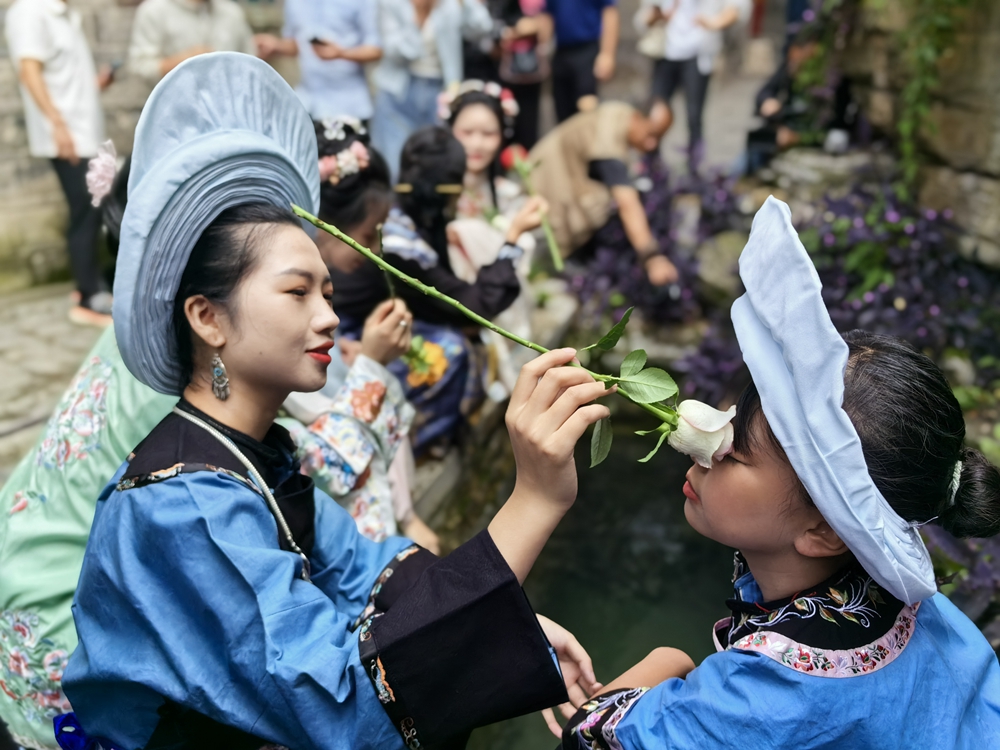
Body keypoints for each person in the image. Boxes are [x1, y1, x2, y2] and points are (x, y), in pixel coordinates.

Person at [56, 53, 606, 750]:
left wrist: (507, 618)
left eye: (324, 290)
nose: (328, 318)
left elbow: (372, 571)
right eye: (296, 292)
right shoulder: (180, 507)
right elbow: (343, 712)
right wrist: (534, 500)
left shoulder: (258, 456)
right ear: (208, 317)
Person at [0, 115, 435, 750]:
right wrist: (370, 368)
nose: (327, 312)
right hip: (64, 620)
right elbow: (330, 468)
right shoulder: (181, 376)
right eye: (294, 287)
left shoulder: (163, 334)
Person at [560, 198, 1000, 748]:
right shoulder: (910, 598)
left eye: (736, 451)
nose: (707, 449)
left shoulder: (771, 688)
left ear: (824, 531)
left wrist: (667, 661)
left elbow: (586, 740)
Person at [332, 126, 547, 452]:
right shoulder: (395, 243)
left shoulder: (412, 219)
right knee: (451, 350)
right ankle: (410, 442)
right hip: (349, 339)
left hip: (374, 327)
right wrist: (513, 236)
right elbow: (474, 307)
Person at [5, 0, 115, 326]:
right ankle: (87, 297)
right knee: (87, 210)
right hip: (68, 135)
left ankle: (91, 284)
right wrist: (57, 125)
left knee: (95, 207)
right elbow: (29, 71)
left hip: (84, 131)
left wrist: (96, 85)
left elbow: (63, 78)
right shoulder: (30, 11)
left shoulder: (63, 14)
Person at [529, 100, 678, 286]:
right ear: (637, 118)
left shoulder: (621, 115)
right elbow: (626, 202)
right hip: (545, 178)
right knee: (601, 203)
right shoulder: (609, 138)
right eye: (651, 134)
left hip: (559, 171)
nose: (651, 145)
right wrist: (652, 257)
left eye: (658, 139)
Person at [371, 0, 493, 181]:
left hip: (441, 92)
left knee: (436, 166)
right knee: (394, 168)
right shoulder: (392, 3)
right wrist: (420, 16)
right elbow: (396, 52)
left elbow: (481, 28)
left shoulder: (449, 4)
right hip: (400, 93)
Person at [636, 0, 750, 172]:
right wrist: (656, 16)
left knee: (694, 115)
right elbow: (641, 19)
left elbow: (738, 7)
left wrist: (716, 22)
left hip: (697, 54)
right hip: (664, 52)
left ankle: (694, 167)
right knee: (655, 111)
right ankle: (650, 165)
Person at [254, 1, 382, 122]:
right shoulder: (294, 2)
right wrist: (276, 46)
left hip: (349, 106)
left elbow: (376, 50)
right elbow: (296, 44)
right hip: (307, 103)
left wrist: (341, 54)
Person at [127, 0, 256, 83]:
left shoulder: (232, 12)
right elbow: (139, 66)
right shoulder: (153, 11)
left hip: (228, 112)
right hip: (174, 114)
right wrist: (184, 62)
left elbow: (251, 63)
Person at [543, 0, 619, 123]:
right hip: (561, 51)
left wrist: (607, 54)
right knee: (562, 109)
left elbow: (610, 12)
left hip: (587, 49)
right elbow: (547, 17)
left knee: (587, 104)